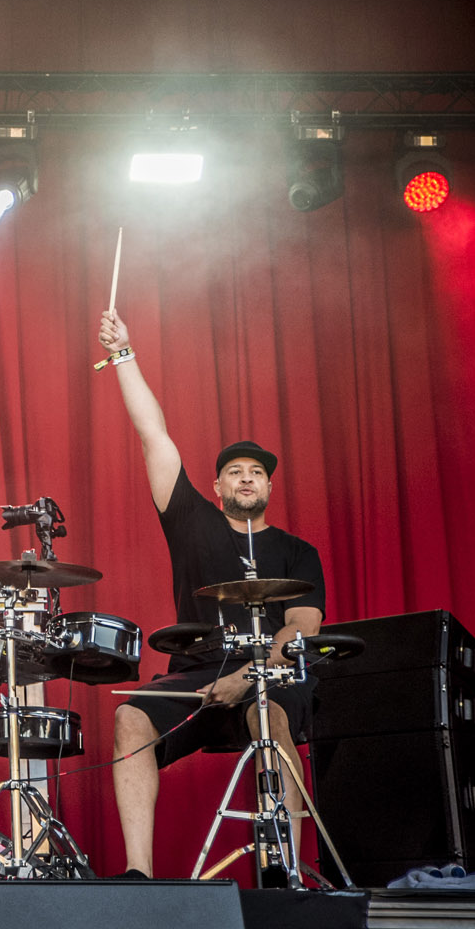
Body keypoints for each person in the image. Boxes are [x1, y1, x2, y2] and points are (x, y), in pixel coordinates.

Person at [97, 309, 324, 881]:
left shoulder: (298, 552)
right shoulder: (191, 522)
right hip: (198, 672)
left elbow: (302, 629)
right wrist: (123, 354)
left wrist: (248, 677)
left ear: (269, 486)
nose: (246, 478)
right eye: (235, 471)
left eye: (257, 472)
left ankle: (287, 871)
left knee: (272, 719)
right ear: (217, 484)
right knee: (129, 717)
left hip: (270, 678)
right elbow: (153, 434)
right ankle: (138, 873)